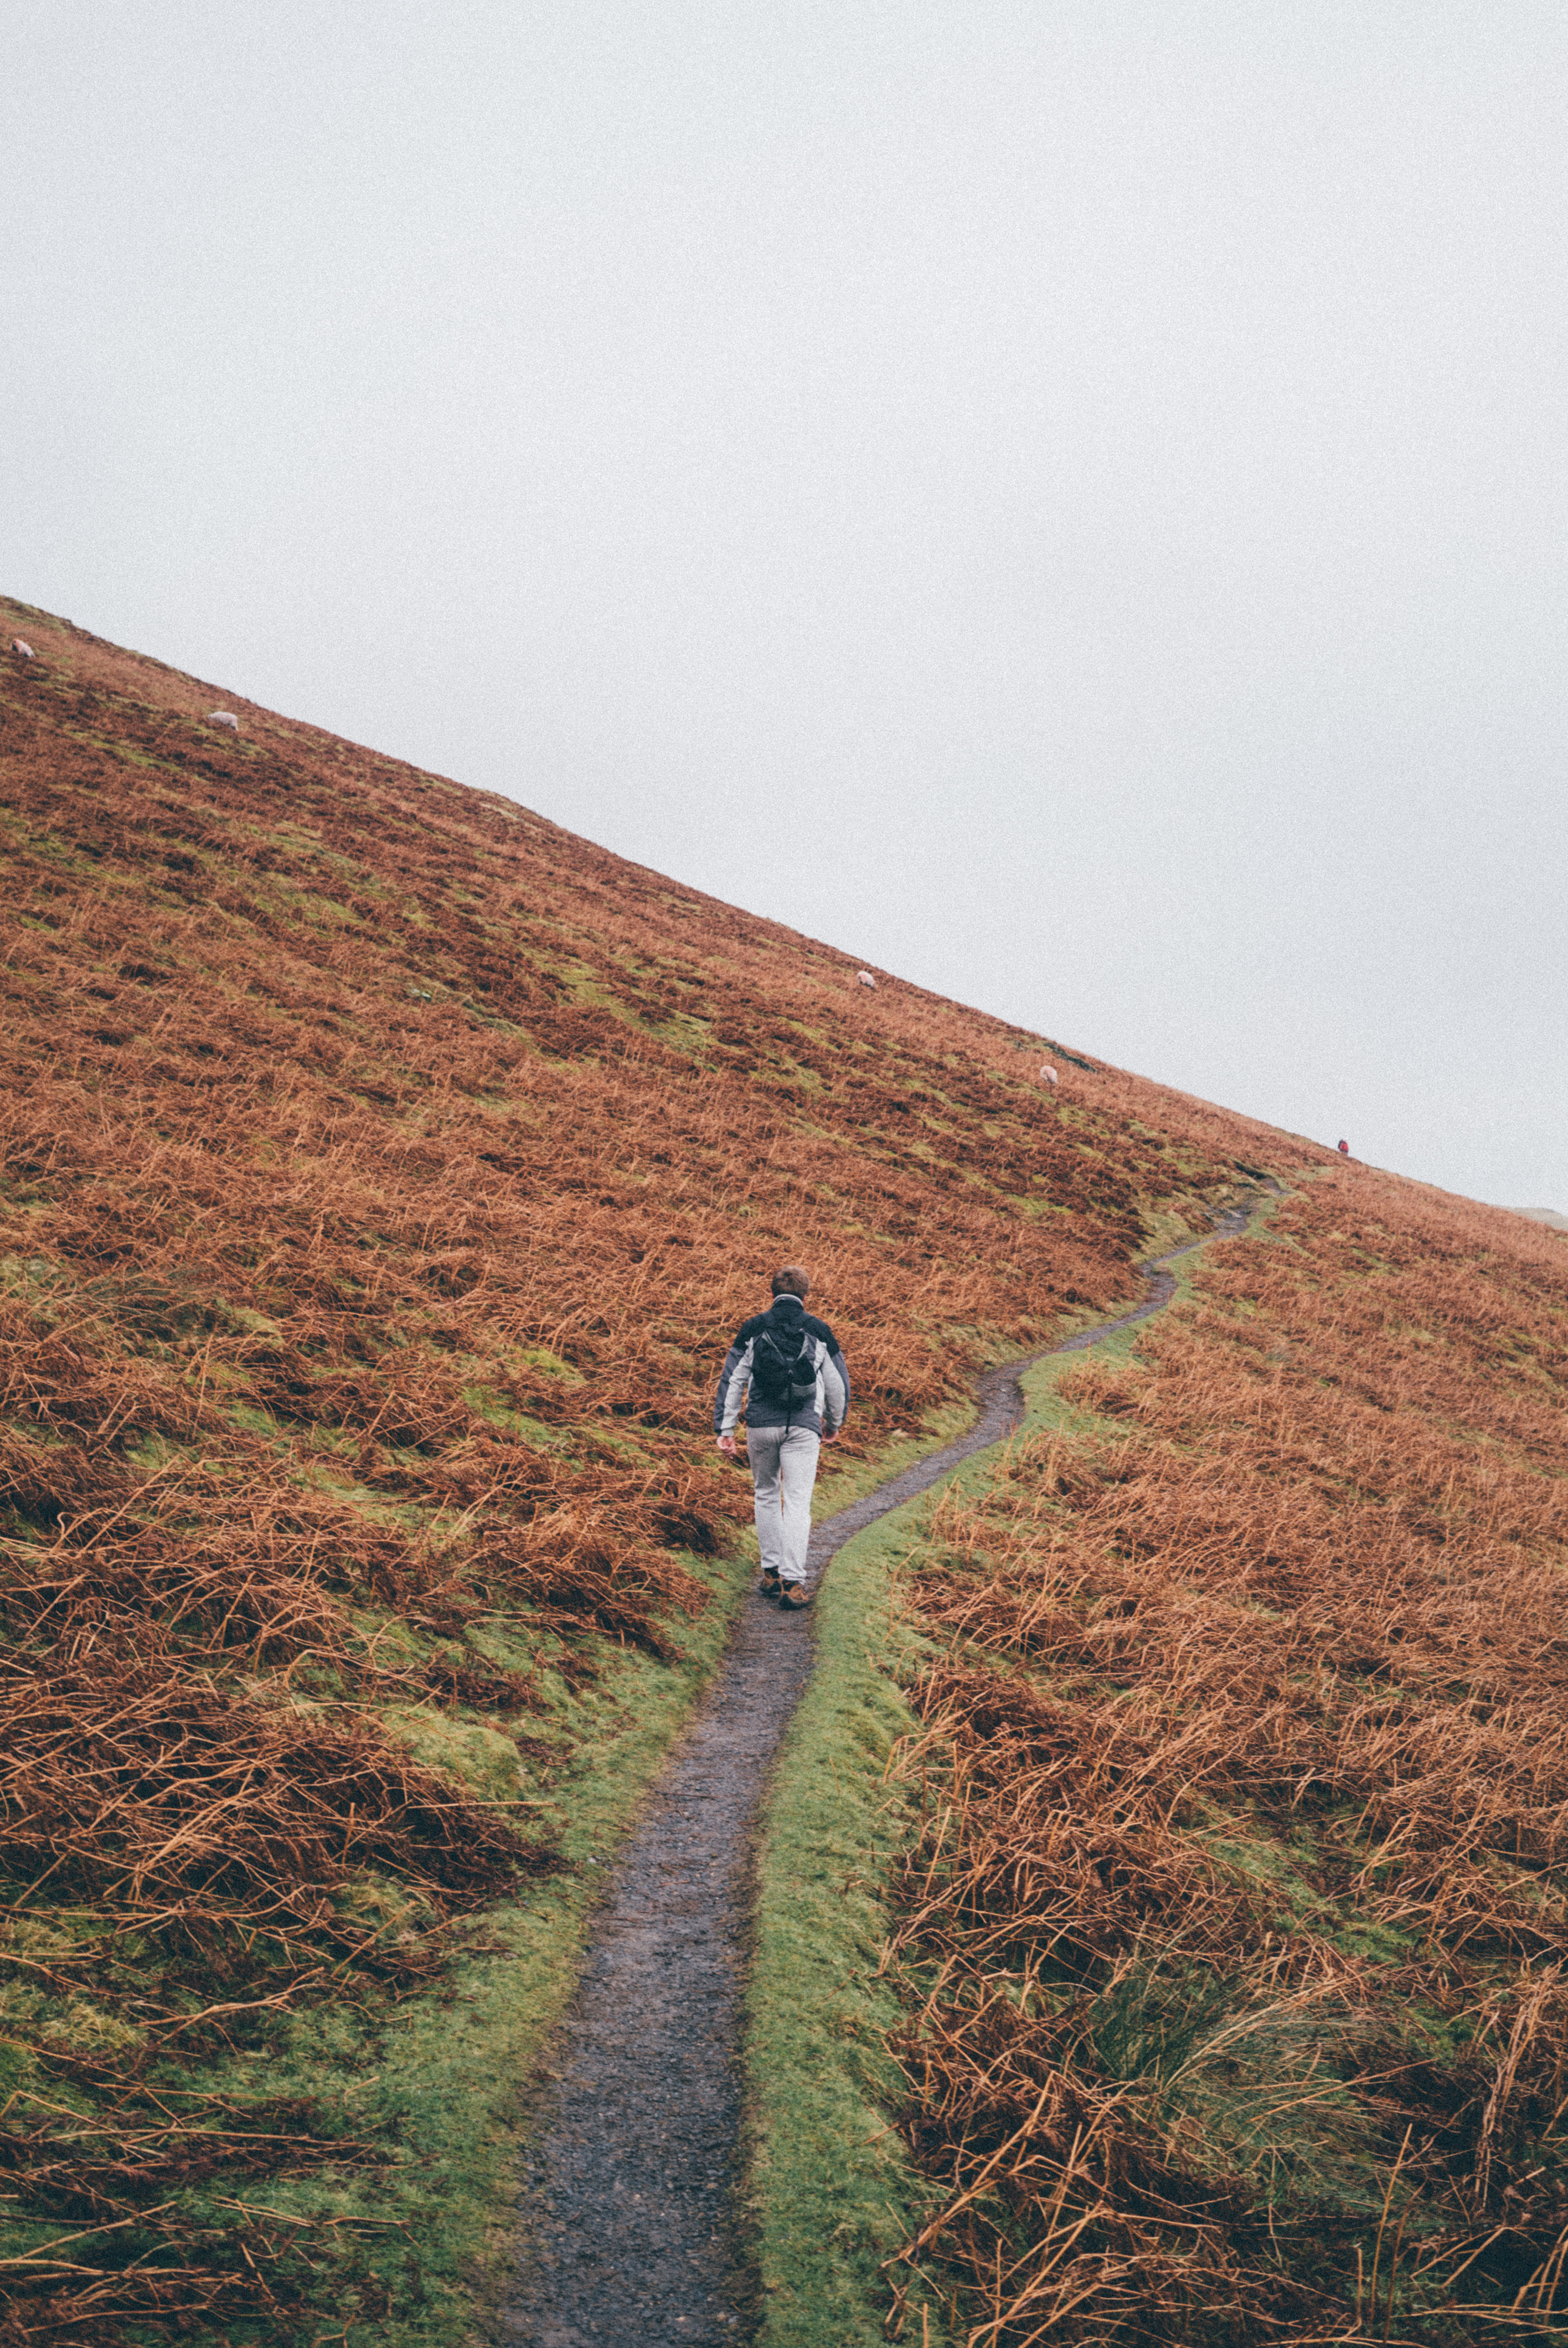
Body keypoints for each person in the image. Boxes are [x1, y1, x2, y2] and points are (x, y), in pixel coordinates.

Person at [714, 1265, 850, 1610]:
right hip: (803, 1427)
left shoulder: (754, 1327)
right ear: (806, 1295)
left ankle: (771, 1573)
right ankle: (793, 1583)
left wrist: (725, 1429)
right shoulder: (819, 1330)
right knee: (798, 1501)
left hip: (760, 1424)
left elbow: (734, 1379)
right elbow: (837, 1385)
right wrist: (833, 1424)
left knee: (766, 1494)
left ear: (772, 1292)